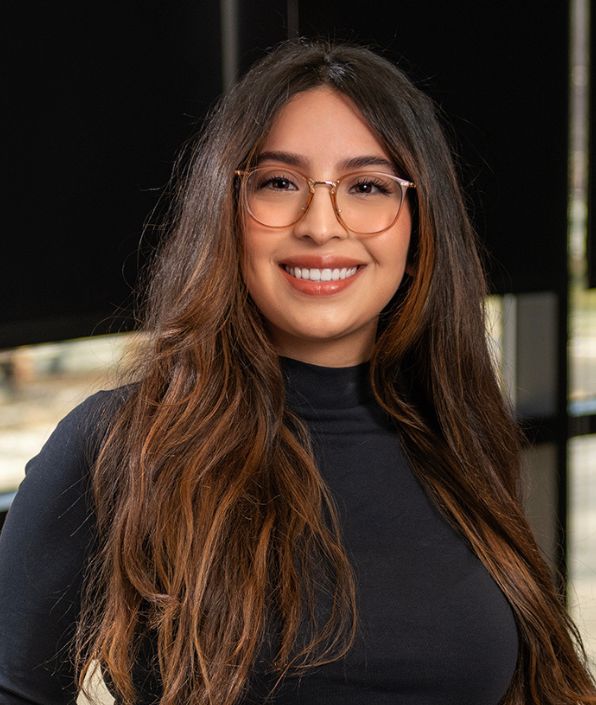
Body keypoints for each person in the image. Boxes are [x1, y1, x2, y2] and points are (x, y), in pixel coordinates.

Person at [0, 38, 595, 705]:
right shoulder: (113, 447)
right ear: (228, 210)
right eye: (279, 182)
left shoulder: (459, 438)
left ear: (419, 224)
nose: (321, 224)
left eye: (367, 186)